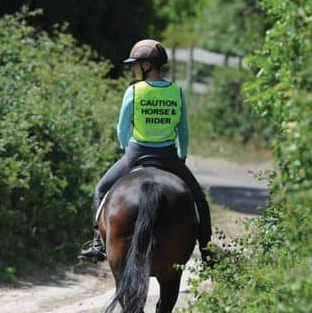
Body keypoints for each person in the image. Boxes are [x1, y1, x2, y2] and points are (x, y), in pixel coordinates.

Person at [79, 39, 212, 262]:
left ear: (147, 65)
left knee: (101, 189)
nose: (133, 68)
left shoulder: (134, 91)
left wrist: (125, 148)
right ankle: (207, 250)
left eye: (136, 64)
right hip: (169, 155)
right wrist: (182, 154)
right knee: (199, 199)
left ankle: (97, 244)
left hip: (136, 153)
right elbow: (183, 130)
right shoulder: (176, 92)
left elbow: (122, 128)